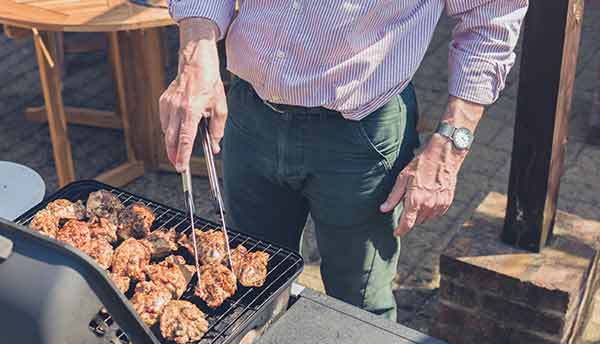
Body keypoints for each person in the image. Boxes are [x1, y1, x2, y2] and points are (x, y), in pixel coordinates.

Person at [159, 1, 528, 321]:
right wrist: (197, 49)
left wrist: (451, 144)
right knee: (249, 279)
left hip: (360, 134)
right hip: (248, 108)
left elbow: (491, 17)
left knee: (359, 304)